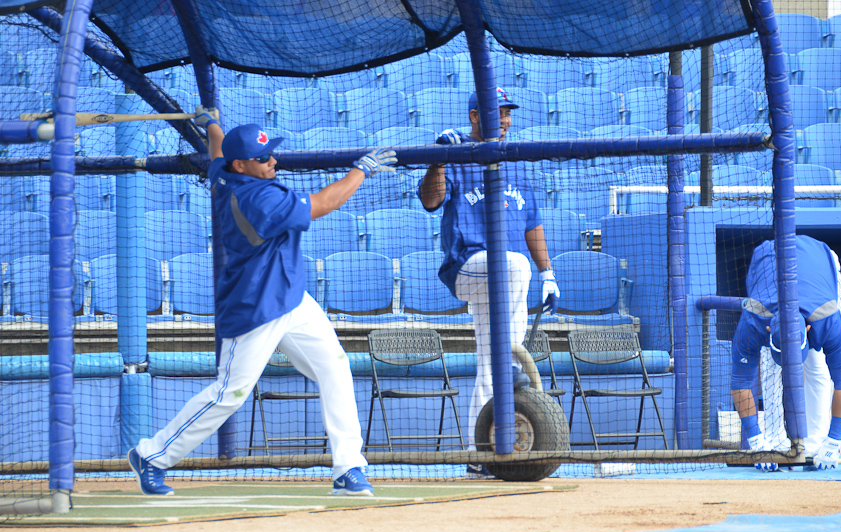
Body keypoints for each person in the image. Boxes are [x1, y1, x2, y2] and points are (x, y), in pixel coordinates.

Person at [127, 106, 397, 496]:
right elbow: (323, 204)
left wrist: (211, 124)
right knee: (229, 395)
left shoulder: (225, 174)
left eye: (271, 153)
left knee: (335, 367)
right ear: (244, 165)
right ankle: (152, 455)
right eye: (262, 158)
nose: (273, 161)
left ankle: (348, 466)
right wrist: (361, 170)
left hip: (292, 297)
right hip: (257, 305)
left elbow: (218, 155)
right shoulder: (256, 199)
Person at [418, 87, 559, 479]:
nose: (507, 120)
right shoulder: (459, 153)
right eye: (499, 113)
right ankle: (512, 369)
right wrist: (438, 160)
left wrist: (548, 272)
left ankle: (479, 452)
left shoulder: (516, 162)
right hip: (468, 266)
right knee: (513, 265)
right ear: (476, 117)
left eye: (509, 113)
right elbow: (431, 202)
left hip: (508, 279)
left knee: (489, 359)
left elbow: (532, 223)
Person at [730, 235, 841, 471]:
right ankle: (773, 443)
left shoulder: (828, 320)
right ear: (767, 331)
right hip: (768, 262)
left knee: (818, 366)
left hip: (820, 261)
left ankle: (816, 444)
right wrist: (756, 442)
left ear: (808, 330)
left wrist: (834, 439)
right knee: (770, 368)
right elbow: (740, 382)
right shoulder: (755, 320)